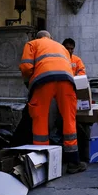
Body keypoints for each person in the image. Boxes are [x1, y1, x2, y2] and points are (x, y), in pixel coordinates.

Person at [19, 30, 87, 174]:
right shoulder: (60, 47)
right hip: (67, 81)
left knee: (40, 118)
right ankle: (73, 161)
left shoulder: (32, 44)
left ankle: (42, 163)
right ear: (51, 38)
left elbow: (26, 67)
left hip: (43, 81)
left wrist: (29, 82)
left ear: (37, 38)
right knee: (69, 119)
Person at [62, 38, 90, 164]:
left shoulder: (76, 60)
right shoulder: (60, 59)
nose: (70, 50)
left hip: (74, 93)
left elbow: (82, 73)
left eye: (71, 48)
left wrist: (75, 80)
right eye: (67, 48)